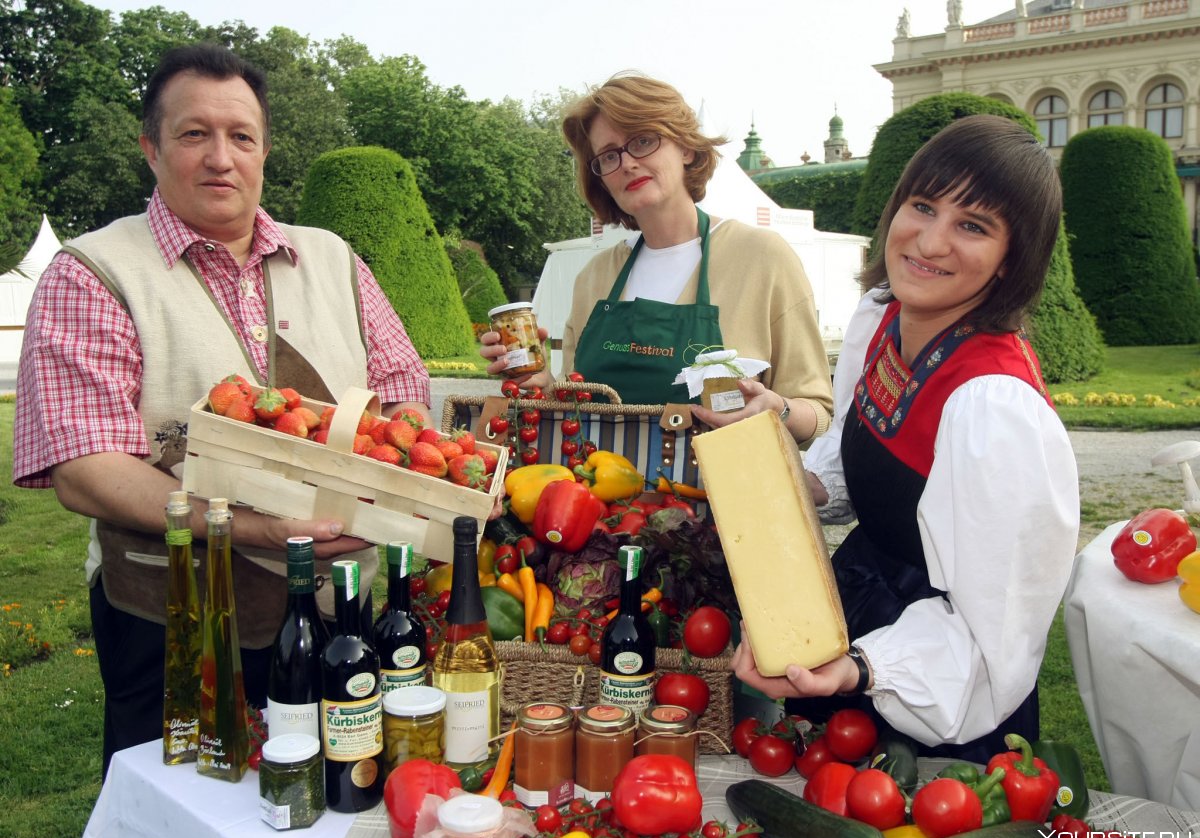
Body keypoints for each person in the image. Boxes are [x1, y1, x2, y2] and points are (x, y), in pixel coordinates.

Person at [12, 43, 431, 776]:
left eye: (240, 136)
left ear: (265, 150)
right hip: (178, 622)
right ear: (151, 147)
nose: (220, 158)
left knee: (347, 786)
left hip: (345, 604)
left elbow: (406, 394)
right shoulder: (95, 270)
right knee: (186, 811)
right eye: (193, 134)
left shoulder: (332, 258)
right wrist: (252, 526)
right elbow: (85, 468)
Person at [733, 115, 1080, 762]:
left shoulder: (995, 409)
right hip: (853, 612)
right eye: (923, 205)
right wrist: (781, 471)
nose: (931, 239)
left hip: (936, 687)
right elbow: (852, 451)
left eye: (973, 225)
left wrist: (864, 668)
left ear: (1013, 260)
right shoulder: (884, 316)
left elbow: (993, 637)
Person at [479, 73, 833, 445]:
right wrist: (543, 385)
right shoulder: (594, 278)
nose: (627, 163)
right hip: (599, 497)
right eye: (609, 156)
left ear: (687, 148)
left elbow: (819, 414)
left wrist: (780, 410)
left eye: (643, 141)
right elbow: (577, 409)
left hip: (723, 498)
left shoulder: (762, 257)